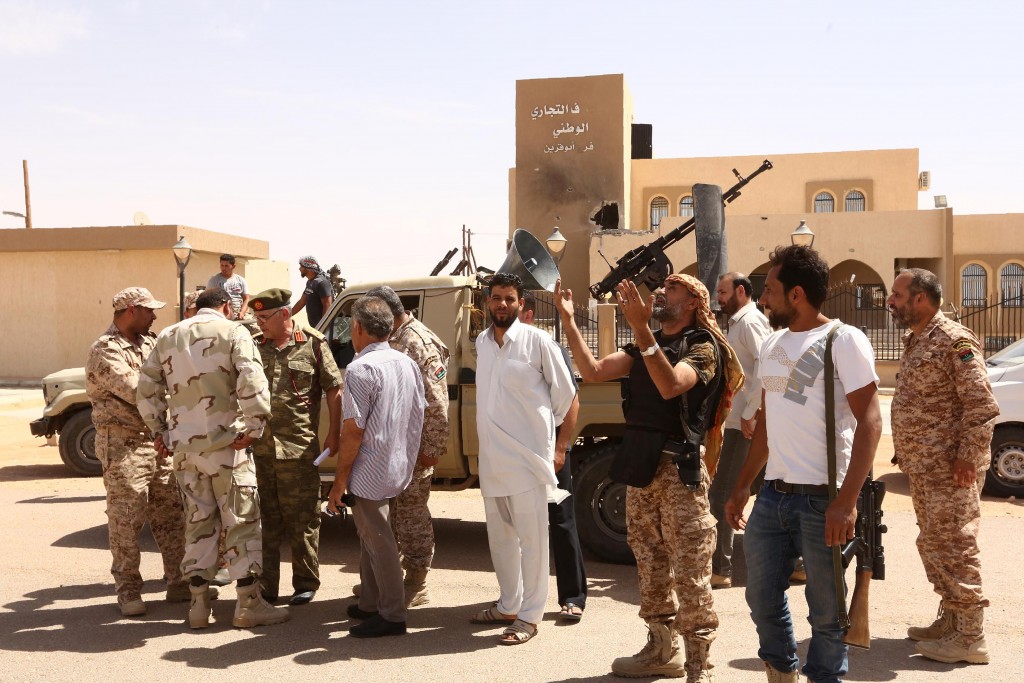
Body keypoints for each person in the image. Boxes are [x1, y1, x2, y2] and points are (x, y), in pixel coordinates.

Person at [557, 273, 742, 681]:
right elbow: (592, 371)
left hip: (679, 474)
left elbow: (672, 385)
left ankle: (699, 667)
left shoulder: (702, 345)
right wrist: (568, 320)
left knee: (691, 572)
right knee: (650, 564)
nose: (660, 292)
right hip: (641, 471)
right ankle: (661, 648)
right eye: (662, 288)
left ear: (693, 302)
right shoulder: (645, 343)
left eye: (672, 289)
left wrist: (642, 331)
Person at [724, 245, 882, 683]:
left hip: (824, 500)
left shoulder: (843, 340)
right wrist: (742, 487)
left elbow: (871, 423)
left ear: (796, 294)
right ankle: (782, 671)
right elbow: (769, 426)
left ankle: (824, 678)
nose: (762, 299)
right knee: (760, 597)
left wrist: (847, 502)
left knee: (828, 611)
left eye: (770, 290)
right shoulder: (774, 343)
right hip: (773, 495)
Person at [137, 287, 289, 630]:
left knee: (198, 523)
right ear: (226, 306)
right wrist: (255, 425)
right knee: (242, 520)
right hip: (228, 447)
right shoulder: (234, 332)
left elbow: (146, 388)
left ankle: (198, 606)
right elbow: (252, 378)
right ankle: (248, 605)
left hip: (186, 452)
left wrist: (160, 432)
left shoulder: (168, 335)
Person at [887, 268, 997, 665]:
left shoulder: (953, 340)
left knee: (955, 546)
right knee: (934, 543)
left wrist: (968, 456)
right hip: (925, 466)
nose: (890, 300)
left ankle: (971, 638)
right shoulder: (916, 339)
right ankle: (952, 619)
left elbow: (981, 405)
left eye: (897, 294)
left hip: (951, 469)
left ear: (920, 298)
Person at [470, 272, 575, 646]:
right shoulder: (482, 343)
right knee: (501, 542)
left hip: (528, 462)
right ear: (488, 302)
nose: (502, 304)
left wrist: (555, 444)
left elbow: (566, 397)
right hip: (493, 462)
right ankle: (508, 604)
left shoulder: (537, 341)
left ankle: (529, 617)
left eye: (509, 299)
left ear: (521, 304)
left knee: (533, 542)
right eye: (496, 298)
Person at [85, 287, 188, 617]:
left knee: (171, 513)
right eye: (149, 310)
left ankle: (179, 582)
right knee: (126, 519)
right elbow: (136, 389)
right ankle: (128, 588)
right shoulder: (105, 349)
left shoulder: (150, 342)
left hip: (157, 439)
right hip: (123, 444)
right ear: (131, 310)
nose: (155, 315)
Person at [327, 296, 425, 638]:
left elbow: (353, 430)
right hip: (397, 463)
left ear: (357, 328)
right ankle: (370, 602)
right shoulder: (405, 361)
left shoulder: (359, 368)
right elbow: (418, 414)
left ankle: (393, 614)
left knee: (379, 540)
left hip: (370, 469)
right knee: (370, 536)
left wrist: (339, 482)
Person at [250, 288, 343, 606]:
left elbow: (334, 388)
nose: (259, 323)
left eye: (264, 317)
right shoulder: (253, 347)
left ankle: (305, 582)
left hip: (299, 448)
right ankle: (267, 586)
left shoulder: (313, 343)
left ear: (285, 314)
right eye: (256, 317)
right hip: (260, 450)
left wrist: (333, 434)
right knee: (266, 520)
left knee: (303, 520)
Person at [359, 285, 450, 607]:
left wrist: (430, 450)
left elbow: (437, 403)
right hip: (391, 449)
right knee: (391, 517)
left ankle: (416, 579)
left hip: (413, 451)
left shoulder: (417, 342)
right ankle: (389, 580)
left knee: (411, 517)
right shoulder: (394, 338)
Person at [520, 290, 587, 621]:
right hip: (518, 452)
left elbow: (571, 401)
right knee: (520, 525)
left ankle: (573, 596)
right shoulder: (501, 348)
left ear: (529, 315)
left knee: (560, 521)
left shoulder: (547, 346)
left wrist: (561, 448)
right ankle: (520, 599)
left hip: (549, 451)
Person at [710, 273, 771, 589]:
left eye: (722, 292)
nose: (718, 297)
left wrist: (751, 412)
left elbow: (770, 365)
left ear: (742, 291)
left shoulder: (749, 323)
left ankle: (719, 569)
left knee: (722, 494)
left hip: (744, 425)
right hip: (738, 422)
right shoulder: (738, 323)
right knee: (769, 489)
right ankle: (797, 563)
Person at [291, 255, 335, 328]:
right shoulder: (310, 283)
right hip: (316, 329)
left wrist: (322, 327)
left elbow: (327, 305)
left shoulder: (322, 282)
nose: (299, 269)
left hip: (324, 330)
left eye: (301, 266)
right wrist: (287, 316)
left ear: (307, 267)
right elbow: (302, 302)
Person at [207, 253, 250, 320]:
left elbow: (246, 299)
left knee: (255, 328)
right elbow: (208, 298)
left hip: (238, 314)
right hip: (221, 314)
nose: (224, 268)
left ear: (233, 266)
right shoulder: (214, 280)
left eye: (226, 266)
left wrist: (242, 312)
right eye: (222, 265)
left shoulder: (241, 280)